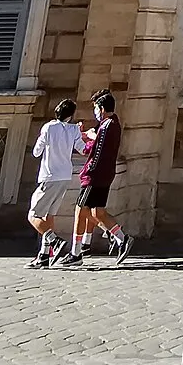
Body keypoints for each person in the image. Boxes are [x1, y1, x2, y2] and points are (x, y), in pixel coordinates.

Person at [59, 88, 129, 266]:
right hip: (105, 174)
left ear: (102, 108)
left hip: (95, 175)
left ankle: (76, 253)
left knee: (80, 210)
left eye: (96, 108)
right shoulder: (113, 124)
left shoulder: (106, 127)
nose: (95, 112)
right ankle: (121, 238)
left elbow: (95, 150)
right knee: (97, 211)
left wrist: (87, 170)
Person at [27, 98, 84, 268]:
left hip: (49, 176)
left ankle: (54, 240)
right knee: (49, 215)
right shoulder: (74, 130)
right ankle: (44, 256)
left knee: (33, 214)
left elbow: (37, 152)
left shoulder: (49, 127)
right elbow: (82, 149)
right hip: (65, 176)